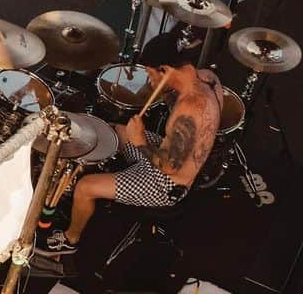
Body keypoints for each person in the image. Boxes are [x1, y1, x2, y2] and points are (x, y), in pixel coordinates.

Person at [42, 64, 222, 255]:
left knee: (85, 187)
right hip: (166, 152)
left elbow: (169, 167)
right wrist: (164, 89)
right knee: (114, 131)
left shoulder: (191, 110)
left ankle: (71, 239)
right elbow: (176, 112)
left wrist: (140, 140)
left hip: (167, 183)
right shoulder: (206, 78)